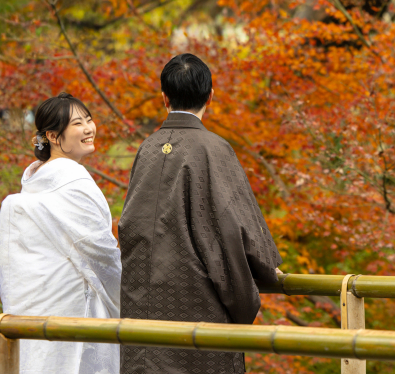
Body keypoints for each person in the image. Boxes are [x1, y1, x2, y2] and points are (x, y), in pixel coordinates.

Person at [119, 53, 283, 374]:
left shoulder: (148, 148)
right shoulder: (214, 148)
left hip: (141, 309)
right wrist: (265, 269)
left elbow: (130, 226)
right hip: (196, 306)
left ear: (164, 97)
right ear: (211, 95)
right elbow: (236, 226)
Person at [0, 93, 121, 374]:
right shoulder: (74, 182)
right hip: (73, 308)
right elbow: (101, 253)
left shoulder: (35, 181)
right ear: (53, 136)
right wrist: (130, 294)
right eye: (78, 123)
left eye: (89, 119)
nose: (89, 128)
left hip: (35, 312)